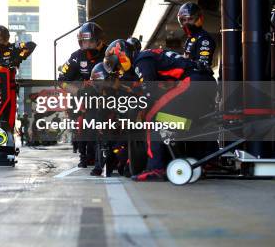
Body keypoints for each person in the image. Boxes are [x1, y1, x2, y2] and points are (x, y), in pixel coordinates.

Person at [103, 39, 216, 182]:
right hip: (205, 82)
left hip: (193, 82)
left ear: (122, 55)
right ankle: (204, 159)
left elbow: (150, 93)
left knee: (153, 116)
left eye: (118, 65)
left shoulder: (141, 60)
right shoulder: (149, 57)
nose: (119, 69)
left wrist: (140, 114)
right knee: (186, 123)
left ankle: (156, 168)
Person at [58, 22, 106, 168]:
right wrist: (78, 91)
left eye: (90, 41)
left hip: (109, 95)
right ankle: (84, 155)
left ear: (99, 41)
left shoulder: (109, 53)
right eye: (84, 41)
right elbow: (61, 81)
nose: (87, 45)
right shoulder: (76, 57)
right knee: (82, 125)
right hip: (85, 98)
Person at [177, 2, 216, 69]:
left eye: (190, 19)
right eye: (184, 20)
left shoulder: (204, 38)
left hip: (199, 77)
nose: (186, 22)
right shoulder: (191, 38)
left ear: (199, 19)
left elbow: (202, 66)